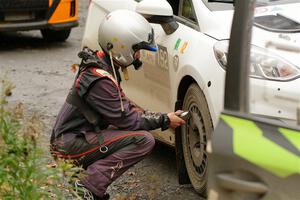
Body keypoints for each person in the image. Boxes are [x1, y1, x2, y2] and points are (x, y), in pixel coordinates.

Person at [50, 9, 185, 200]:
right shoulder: (100, 79)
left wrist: (165, 117)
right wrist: (164, 121)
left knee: (134, 132)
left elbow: (125, 108)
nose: (138, 56)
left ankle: (89, 181)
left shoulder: (104, 65)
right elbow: (127, 119)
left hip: (76, 137)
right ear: (122, 46)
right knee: (143, 140)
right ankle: (88, 185)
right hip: (68, 144)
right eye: (137, 50)